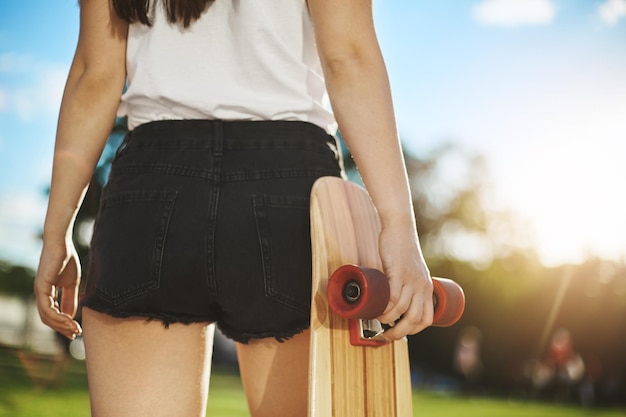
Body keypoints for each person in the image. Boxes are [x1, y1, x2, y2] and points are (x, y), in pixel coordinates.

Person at [34, 0, 434, 416]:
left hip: (152, 186)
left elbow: (94, 76)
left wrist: (56, 233)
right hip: (289, 189)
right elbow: (348, 56)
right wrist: (398, 225)